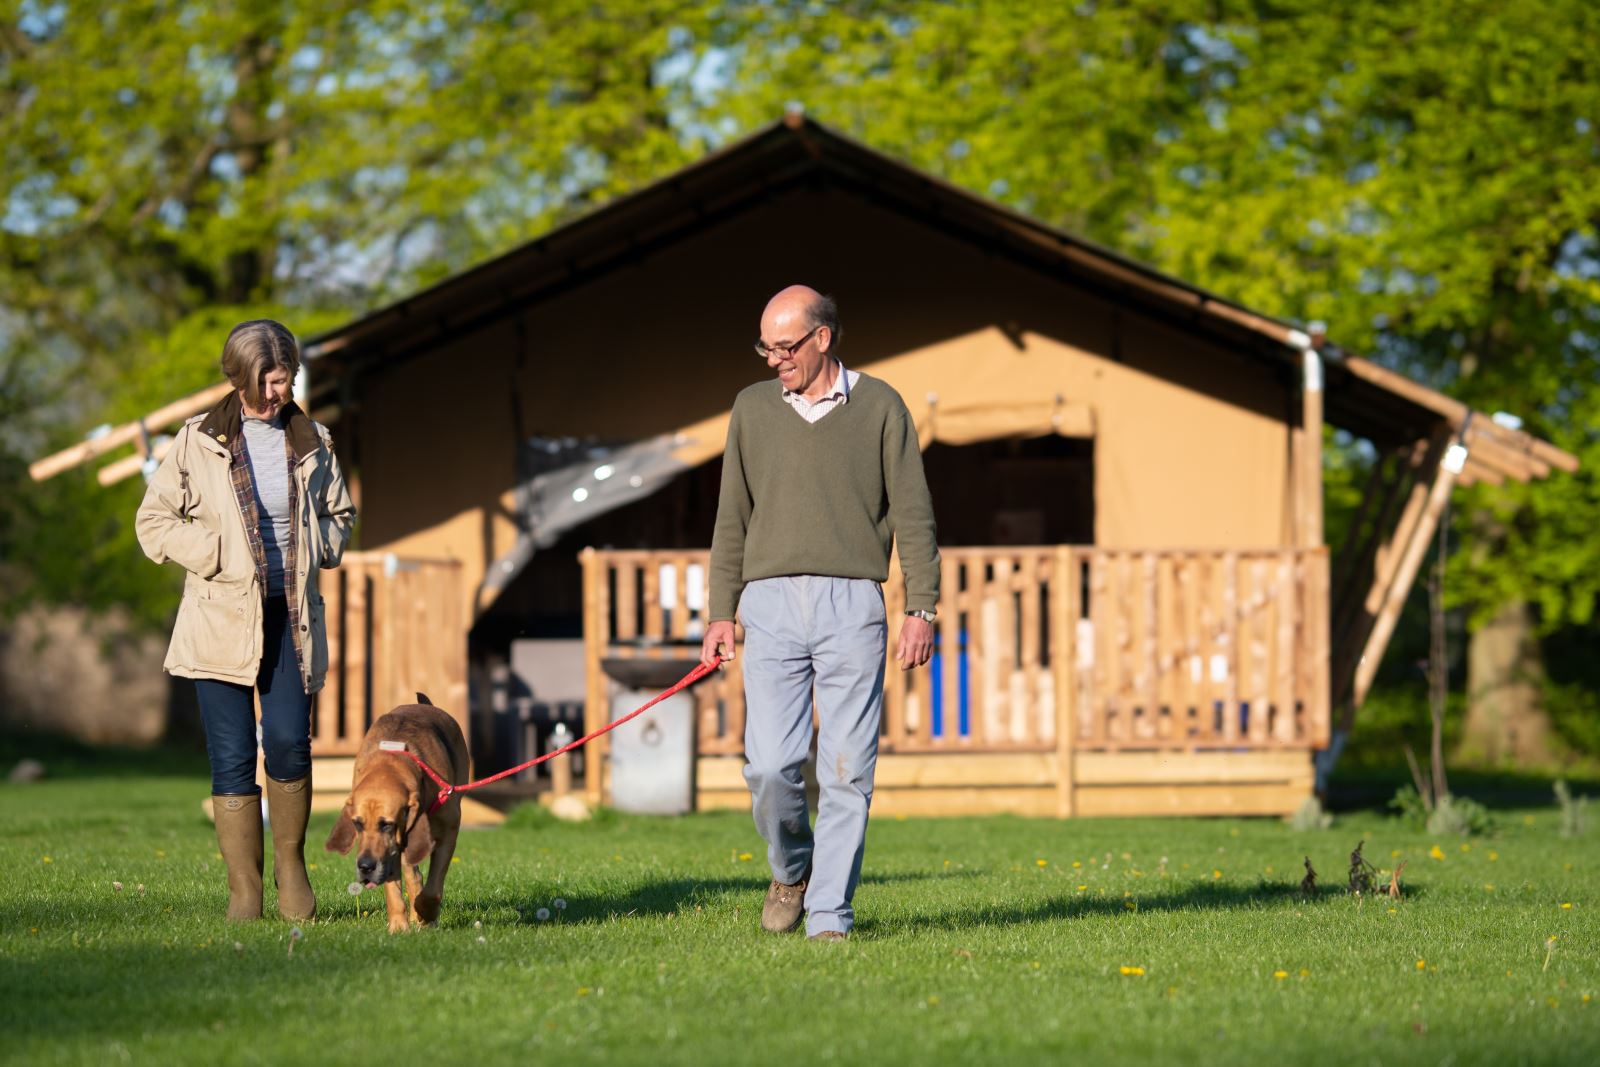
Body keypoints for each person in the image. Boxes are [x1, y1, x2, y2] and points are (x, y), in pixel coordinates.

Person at [701, 285, 939, 941]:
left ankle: (830, 912)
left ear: (823, 338)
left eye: (785, 346)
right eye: (766, 347)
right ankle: (792, 869)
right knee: (770, 765)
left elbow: (914, 514)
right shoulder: (752, 409)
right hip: (769, 601)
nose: (774, 360)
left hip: (853, 601)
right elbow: (731, 517)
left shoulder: (882, 407)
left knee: (846, 769)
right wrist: (722, 610)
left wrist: (922, 604)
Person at [136, 320, 356, 922]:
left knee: (288, 742)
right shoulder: (196, 441)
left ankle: (291, 871)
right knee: (231, 755)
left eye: (286, 379)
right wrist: (214, 554)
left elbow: (340, 513)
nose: (278, 392)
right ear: (241, 377)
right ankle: (245, 894)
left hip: (290, 617)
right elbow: (153, 521)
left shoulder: (315, 440)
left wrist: (320, 548)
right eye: (269, 380)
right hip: (219, 619)